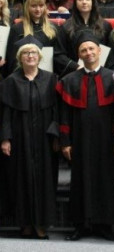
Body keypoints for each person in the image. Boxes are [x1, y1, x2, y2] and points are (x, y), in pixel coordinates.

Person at [58, 32, 114, 242]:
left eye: (91, 48)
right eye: (83, 50)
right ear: (79, 55)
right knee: (80, 181)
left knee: (106, 181)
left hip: (106, 141)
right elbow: (64, 115)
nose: (88, 53)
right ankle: (80, 225)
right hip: (80, 140)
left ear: (99, 51)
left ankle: (105, 225)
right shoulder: (69, 80)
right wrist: (65, 142)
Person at [0, 36, 58, 239]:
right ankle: (25, 223)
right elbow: (5, 113)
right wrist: (5, 138)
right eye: (26, 53)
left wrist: (56, 135)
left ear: (39, 56)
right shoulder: (10, 81)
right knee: (21, 178)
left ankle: (41, 223)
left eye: (33, 52)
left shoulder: (51, 79)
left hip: (44, 137)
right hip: (20, 137)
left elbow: (56, 110)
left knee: (44, 179)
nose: (30, 56)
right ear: (20, 58)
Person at [57, 0, 112, 77]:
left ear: (93, 2)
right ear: (75, 2)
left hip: (100, 74)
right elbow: (59, 54)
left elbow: (111, 54)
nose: (84, 2)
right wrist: (76, 67)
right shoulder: (66, 27)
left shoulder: (105, 26)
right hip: (75, 74)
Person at [5, 0, 64, 76]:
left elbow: (59, 56)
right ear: (27, 7)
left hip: (48, 77)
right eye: (34, 6)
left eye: (41, 5)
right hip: (23, 77)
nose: (38, 9)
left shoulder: (54, 29)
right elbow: (12, 60)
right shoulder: (17, 29)